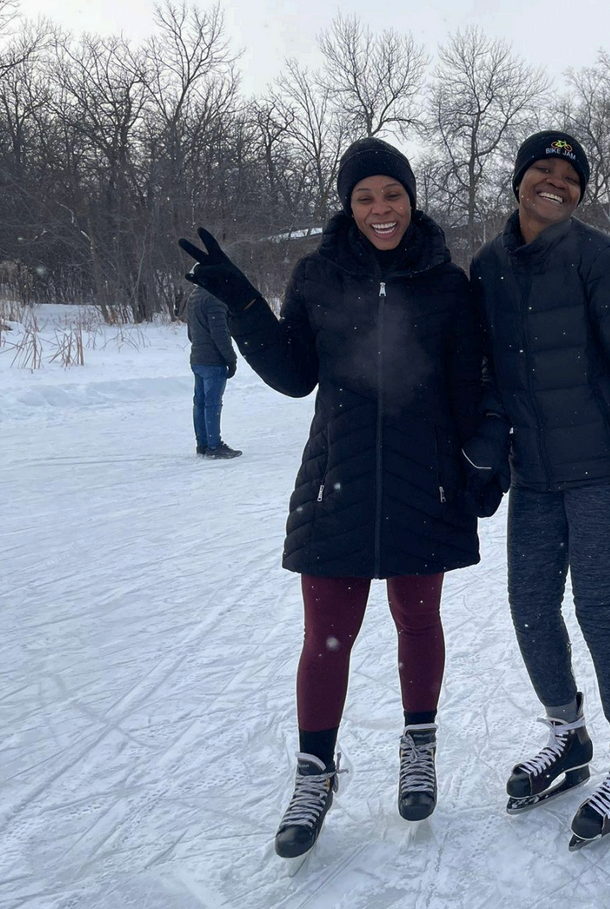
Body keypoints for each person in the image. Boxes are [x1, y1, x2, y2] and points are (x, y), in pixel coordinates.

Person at [179, 137, 493, 858]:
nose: (380, 209)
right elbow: (294, 375)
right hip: (337, 483)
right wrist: (242, 300)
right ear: (348, 206)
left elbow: (467, 385)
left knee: (419, 621)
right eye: (365, 197)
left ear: (411, 198)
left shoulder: (447, 284)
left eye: (391, 194)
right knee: (327, 638)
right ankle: (315, 773)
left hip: (425, 482)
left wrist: (482, 461)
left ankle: (419, 747)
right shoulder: (318, 276)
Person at [469, 130, 610, 850]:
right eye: (542, 171)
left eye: (568, 175)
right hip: (534, 478)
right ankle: (568, 734)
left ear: (581, 192)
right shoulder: (490, 268)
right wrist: (487, 462)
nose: (553, 183)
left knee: (596, 608)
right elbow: (491, 377)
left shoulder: (603, 262)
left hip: (602, 475)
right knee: (529, 606)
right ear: (520, 181)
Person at [186, 283, 241, 459]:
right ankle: (214, 445)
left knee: (200, 403)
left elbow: (190, 333)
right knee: (213, 403)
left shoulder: (194, 296)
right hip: (213, 360)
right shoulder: (214, 299)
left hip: (197, 359)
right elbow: (220, 334)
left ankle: (202, 444)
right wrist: (231, 359)